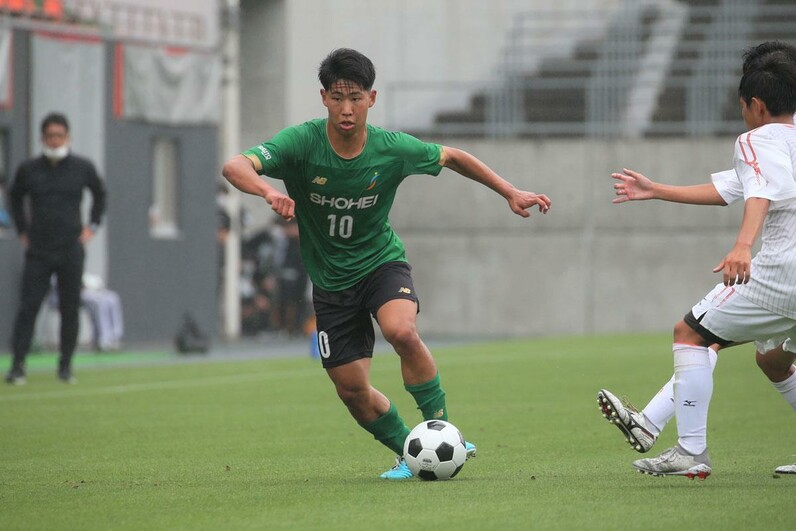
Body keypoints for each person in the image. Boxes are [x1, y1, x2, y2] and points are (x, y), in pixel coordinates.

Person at [222, 48, 551, 480]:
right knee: (352, 390)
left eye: (355, 98)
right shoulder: (301, 143)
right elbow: (234, 165)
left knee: (401, 331)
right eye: (337, 98)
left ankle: (445, 431)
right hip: (330, 282)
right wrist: (267, 192)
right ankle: (412, 453)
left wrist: (510, 191)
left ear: (371, 99)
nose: (346, 109)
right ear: (323, 98)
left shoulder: (391, 148)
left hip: (381, 263)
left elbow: (452, 156)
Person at [597, 43, 796, 479]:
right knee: (773, 359)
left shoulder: (755, 139)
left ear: (756, 105)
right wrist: (657, 190)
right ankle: (648, 422)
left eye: (742, 105)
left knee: (691, 335)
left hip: (785, 273)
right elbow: (735, 188)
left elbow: (759, 190)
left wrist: (744, 245)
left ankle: (690, 450)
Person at [5, 112, 106, 385]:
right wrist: (23, 230)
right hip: (39, 248)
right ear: (42, 138)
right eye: (50, 135)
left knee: (70, 308)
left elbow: (100, 194)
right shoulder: (29, 169)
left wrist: (92, 226)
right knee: (29, 307)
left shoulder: (82, 167)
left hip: (70, 248)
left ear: (68, 137)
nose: (54, 140)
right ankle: (17, 366)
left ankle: (65, 366)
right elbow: (14, 197)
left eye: (59, 135)